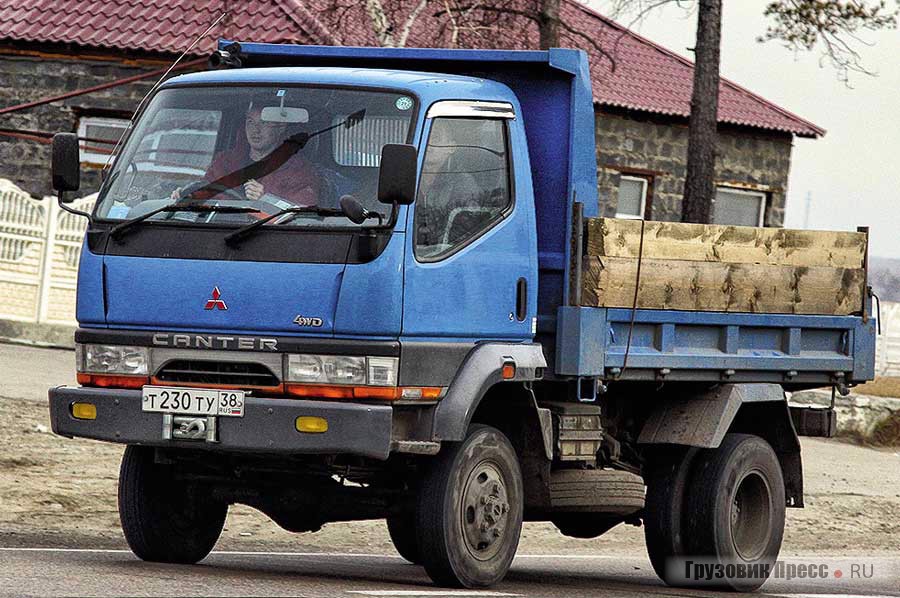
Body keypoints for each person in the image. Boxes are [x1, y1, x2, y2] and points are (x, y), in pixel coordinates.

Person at [173, 100, 320, 207]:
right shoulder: (224, 162)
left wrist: (266, 200)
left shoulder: (297, 169)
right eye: (250, 122)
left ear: (281, 127)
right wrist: (185, 197)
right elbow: (205, 193)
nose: (255, 130)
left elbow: (303, 215)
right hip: (218, 232)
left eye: (264, 123)